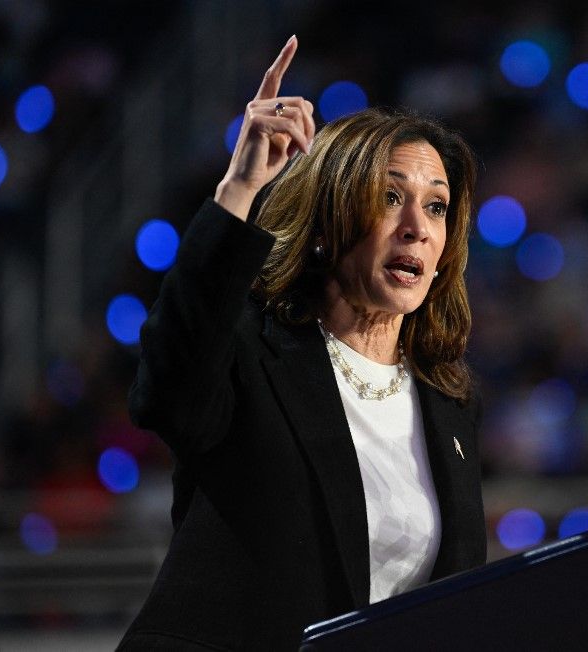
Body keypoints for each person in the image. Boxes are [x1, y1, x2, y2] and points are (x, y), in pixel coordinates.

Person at [117, 36, 486, 650]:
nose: (417, 228)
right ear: (331, 219)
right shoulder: (251, 356)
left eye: (438, 207)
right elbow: (166, 390)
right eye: (391, 197)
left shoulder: (450, 401)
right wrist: (239, 189)